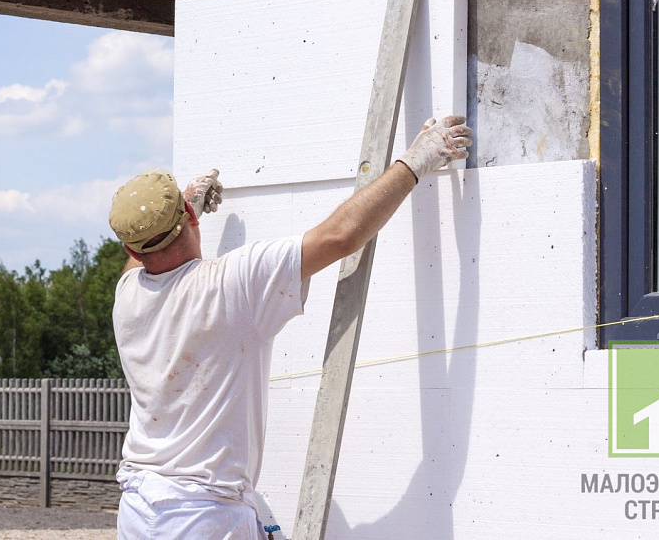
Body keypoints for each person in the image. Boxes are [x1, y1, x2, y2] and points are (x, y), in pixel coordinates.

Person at [108, 115, 472, 539]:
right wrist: (416, 159)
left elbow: (139, 253)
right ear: (188, 214)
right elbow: (340, 237)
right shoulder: (230, 283)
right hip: (204, 518)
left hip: (138, 509)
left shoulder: (128, 295)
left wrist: (183, 211)